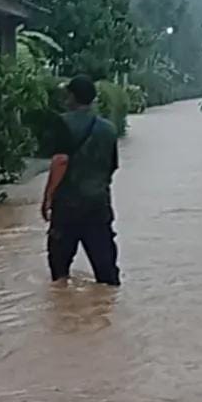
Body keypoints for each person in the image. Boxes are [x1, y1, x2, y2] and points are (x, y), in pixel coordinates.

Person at [41, 75, 121, 286]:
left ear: (72, 97)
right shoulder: (109, 129)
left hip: (68, 205)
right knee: (107, 274)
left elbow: (60, 161)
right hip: (99, 204)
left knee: (59, 273)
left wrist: (48, 198)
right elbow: (111, 168)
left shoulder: (62, 123)